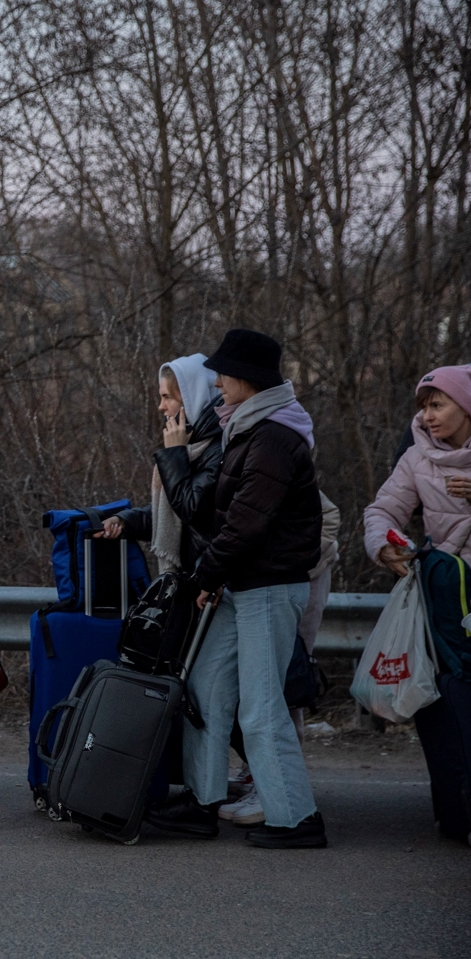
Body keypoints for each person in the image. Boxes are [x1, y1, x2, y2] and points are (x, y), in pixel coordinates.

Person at [145, 329, 327, 849]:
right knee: (206, 688)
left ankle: (296, 818)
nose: (217, 380)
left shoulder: (272, 438)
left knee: (261, 706)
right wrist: (215, 578)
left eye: (224, 373)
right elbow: (227, 520)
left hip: (267, 585)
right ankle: (202, 803)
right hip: (239, 583)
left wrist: (206, 576)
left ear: (248, 379)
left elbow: (245, 526)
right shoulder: (245, 429)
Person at [363, 365, 471, 842]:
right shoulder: (417, 457)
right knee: (443, 696)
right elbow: (382, 510)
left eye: (438, 404)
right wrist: (383, 544)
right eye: (424, 406)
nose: (427, 416)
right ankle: (455, 812)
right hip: (444, 598)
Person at [97, 354, 223, 575]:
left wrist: (174, 455)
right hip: (194, 577)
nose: (161, 407)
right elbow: (169, 517)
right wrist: (123, 522)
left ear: (191, 398)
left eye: (168, 397)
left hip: (211, 580)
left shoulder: (218, 448)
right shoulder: (194, 446)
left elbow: (191, 510)